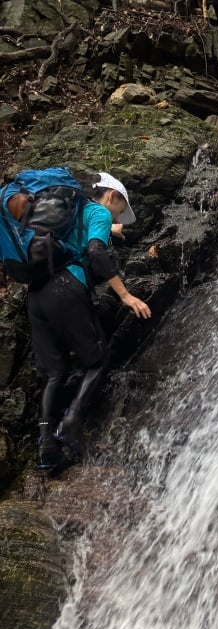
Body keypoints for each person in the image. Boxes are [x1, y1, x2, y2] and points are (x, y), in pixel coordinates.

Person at [27, 171, 152, 470]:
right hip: (67, 289)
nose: (115, 214)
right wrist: (125, 295)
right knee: (97, 361)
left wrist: (114, 228)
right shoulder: (99, 213)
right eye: (118, 209)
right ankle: (71, 423)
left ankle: (46, 445)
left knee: (55, 372)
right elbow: (95, 251)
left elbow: (80, 238)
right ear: (112, 196)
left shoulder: (67, 211)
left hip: (37, 294)